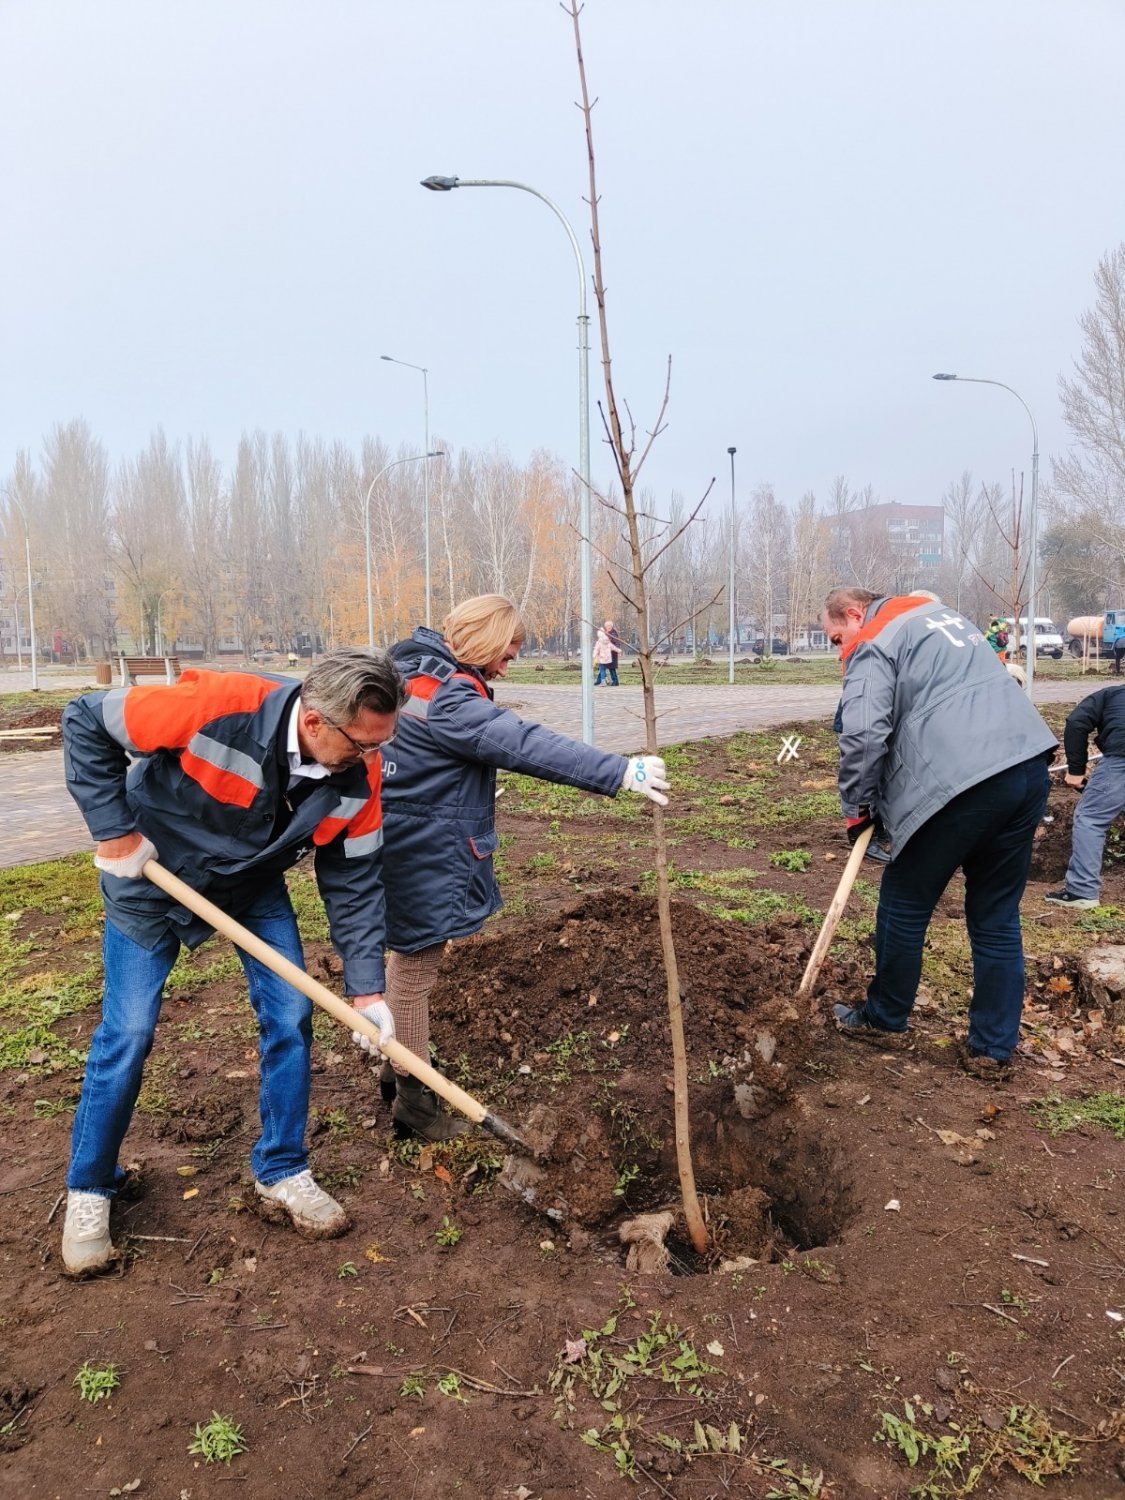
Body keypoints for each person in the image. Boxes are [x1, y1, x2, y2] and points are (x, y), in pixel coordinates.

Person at [59, 649, 405, 1275]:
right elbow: (86, 717)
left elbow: (355, 880)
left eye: (381, 743)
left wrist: (365, 991)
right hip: (151, 873)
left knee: (292, 1013)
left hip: (249, 884)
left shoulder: (362, 773)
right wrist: (114, 832)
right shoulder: (219, 706)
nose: (373, 758)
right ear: (315, 723)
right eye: (362, 744)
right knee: (129, 1030)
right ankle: (90, 1187)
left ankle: (281, 1169)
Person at [365, 594, 671, 1139]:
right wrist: (619, 772)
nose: (510, 662)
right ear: (482, 643)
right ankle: (417, 1104)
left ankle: (395, 1062)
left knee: (404, 958)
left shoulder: (407, 671)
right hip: (425, 850)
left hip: (395, 835)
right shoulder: (449, 700)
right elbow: (527, 744)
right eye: (508, 650)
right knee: (415, 970)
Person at [823, 587, 1057, 1079]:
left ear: (853, 613)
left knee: (904, 901)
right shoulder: (943, 616)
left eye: (836, 636)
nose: (839, 647)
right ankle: (992, 1048)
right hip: (1026, 765)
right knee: (995, 915)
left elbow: (864, 734)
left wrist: (857, 809)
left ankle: (884, 1017)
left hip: (960, 782)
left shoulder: (875, 638)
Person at [1044, 684, 1125, 910]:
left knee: (1091, 818)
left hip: (1121, 758)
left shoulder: (1110, 695)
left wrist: (1076, 771)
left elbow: (1077, 722)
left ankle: (1082, 890)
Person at [604, 619, 624, 686]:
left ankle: (615, 681)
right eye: (607, 626)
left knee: (612, 668)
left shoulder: (613, 634)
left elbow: (617, 643)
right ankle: (614, 681)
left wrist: (617, 650)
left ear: (611, 626)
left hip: (612, 653)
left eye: (609, 626)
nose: (608, 627)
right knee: (610, 668)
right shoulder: (607, 633)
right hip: (608, 653)